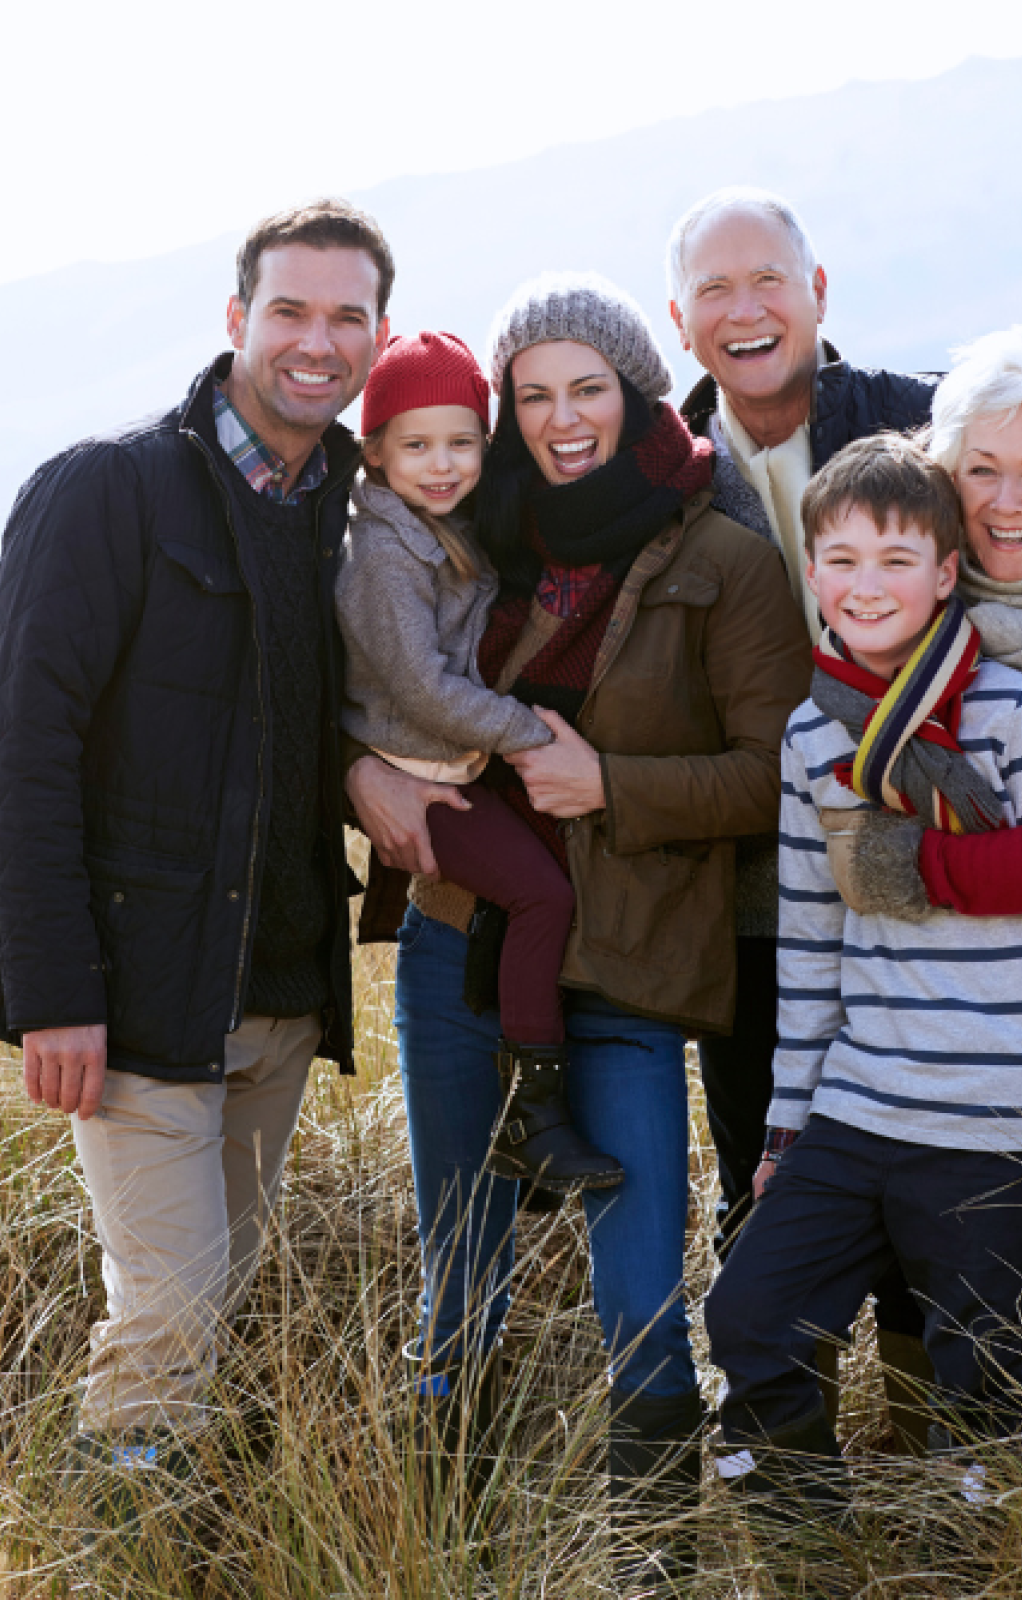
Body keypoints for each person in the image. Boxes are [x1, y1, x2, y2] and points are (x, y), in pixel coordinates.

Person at [0, 199, 391, 1543]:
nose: (317, 342)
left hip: (281, 999)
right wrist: (54, 993)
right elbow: (17, 752)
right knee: (171, 1318)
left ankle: (155, 1539)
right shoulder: (106, 491)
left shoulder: (345, 518)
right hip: (134, 1005)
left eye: (345, 316)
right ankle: (110, 1553)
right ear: (237, 321)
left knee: (205, 1301)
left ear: (377, 334)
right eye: (289, 312)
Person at [345, 272, 808, 1584]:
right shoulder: (475, 530)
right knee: (458, 1272)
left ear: (635, 390)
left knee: (645, 1298)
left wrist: (613, 786)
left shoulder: (719, 554)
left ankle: (648, 1564)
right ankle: (444, 1551)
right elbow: (374, 677)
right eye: (532, 396)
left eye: (586, 390)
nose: (560, 420)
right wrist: (356, 773)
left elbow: (776, 774)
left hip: (635, 959)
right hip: (456, 941)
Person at [705, 434, 1022, 1572]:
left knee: (987, 1381)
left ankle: (976, 1561)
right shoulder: (809, 733)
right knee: (747, 1321)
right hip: (855, 1111)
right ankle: (816, 1561)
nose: (867, 583)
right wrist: (787, 1127)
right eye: (840, 558)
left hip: (991, 1125)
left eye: (897, 555)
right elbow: (814, 944)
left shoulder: (1009, 709)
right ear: (813, 573)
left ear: (948, 573)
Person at [667, 185, 940, 1444]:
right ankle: (788, 1441)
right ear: (681, 320)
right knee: (763, 1158)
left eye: (767, 279)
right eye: (715, 290)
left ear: (818, 290)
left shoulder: (916, 420)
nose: (745, 309)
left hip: (921, 869)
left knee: (928, 1159)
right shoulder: (662, 474)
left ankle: (941, 1432)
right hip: (747, 893)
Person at [335, 330, 621, 1194]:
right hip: (418, 770)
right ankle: (534, 1116)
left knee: (544, 887)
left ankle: (523, 1113)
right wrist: (529, 732)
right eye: (416, 445)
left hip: (452, 762)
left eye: (461, 442)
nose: (442, 464)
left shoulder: (445, 528)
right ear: (375, 450)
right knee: (542, 894)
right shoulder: (383, 553)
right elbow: (422, 690)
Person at [838, 326, 1022, 918]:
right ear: (945, 476)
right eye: (982, 470)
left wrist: (917, 864)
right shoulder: (895, 625)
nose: (1008, 501)